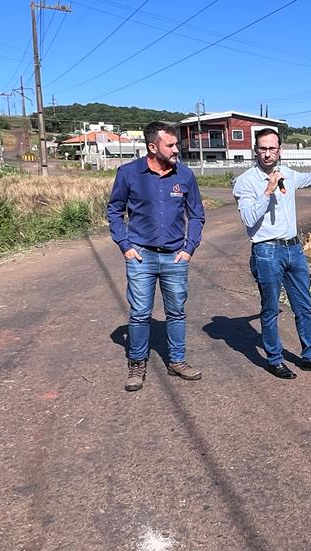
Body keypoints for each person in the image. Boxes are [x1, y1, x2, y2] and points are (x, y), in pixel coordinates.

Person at [233, 128, 311, 379]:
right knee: (270, 309)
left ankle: (310, 356)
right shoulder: (246, 181)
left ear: (279, 150)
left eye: (272, 148)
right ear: (255, 151)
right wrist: (268, 191)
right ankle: (274, 359)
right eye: (263, 148)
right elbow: (249, 218)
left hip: (293, 248)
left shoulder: (288, 174)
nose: (268, 153)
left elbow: (310, 178)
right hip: (266, 251)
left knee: (304, 306)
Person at [107, 121, 205, 392]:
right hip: (141, 256)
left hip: (175, 256)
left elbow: (196, 214)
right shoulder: (128, 174)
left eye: (176, 145)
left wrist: (189, 248)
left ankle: (177, 361)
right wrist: (125, 245)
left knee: (176, 312)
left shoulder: (184, 176)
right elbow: (114, 211)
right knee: (139, 313)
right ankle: (137, 363)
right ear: (152, 147)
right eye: (170, 145)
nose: (176, 150)